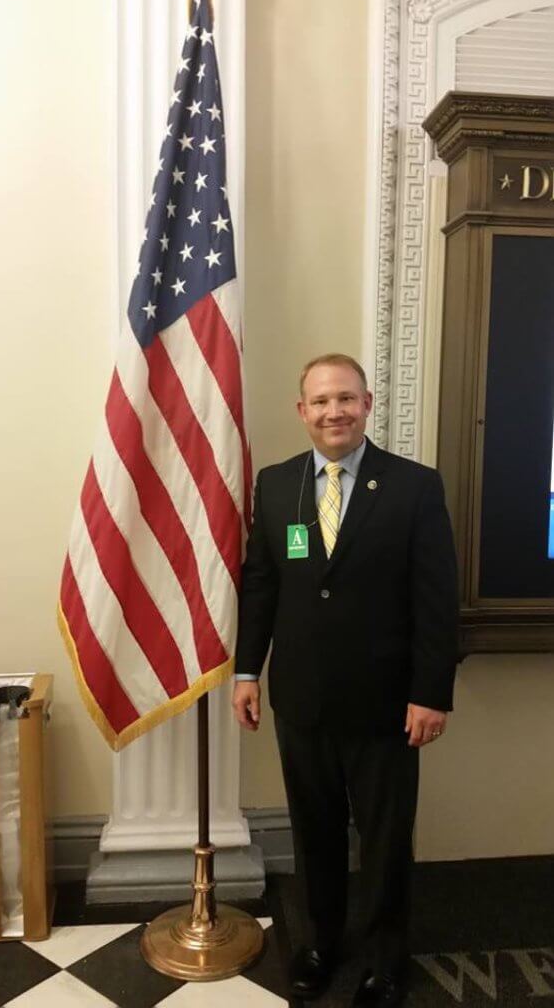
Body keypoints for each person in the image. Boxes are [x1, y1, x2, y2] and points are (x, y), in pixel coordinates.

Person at [232, 354, 458, 1007]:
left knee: (384, 839)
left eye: (346, 399)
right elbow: (262, 585)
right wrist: (248, 669)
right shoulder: (276, 486)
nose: (334, 412)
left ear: (366, 404)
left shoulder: (414, 486)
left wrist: (429, 692)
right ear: (301, 411)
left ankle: (385, 958)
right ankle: (318, 943)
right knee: (314, 831)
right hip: (300, 701)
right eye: (321, 401)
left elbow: (434, 600)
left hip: (388, 705)